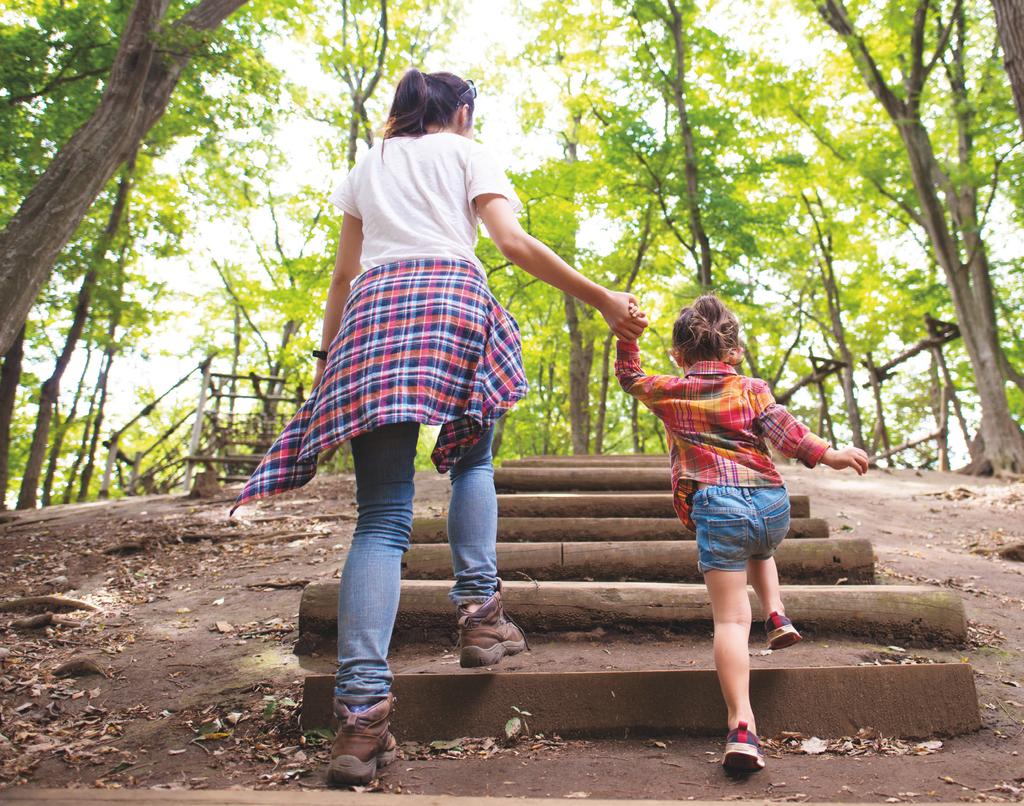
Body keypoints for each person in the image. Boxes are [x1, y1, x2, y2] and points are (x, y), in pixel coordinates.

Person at [231, 68, 647, 786]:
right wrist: (603, 298)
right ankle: (482, 618)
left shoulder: (370, 164)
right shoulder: (466, 151)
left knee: (382, 518)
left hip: (372, 318)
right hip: (452, 302)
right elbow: (511, 243)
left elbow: (342, 276)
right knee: (472, 466)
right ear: (461, 111)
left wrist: (331, 360)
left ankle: (360, 722)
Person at [614, 294, 867, 772]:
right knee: (760, 545)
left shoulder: (671, 389)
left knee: (731, 622)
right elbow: (788, 434)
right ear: (734, 352)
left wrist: (628, 338)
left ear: (678, 355)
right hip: (773, 504)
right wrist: (831, 454)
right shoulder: (753, 388)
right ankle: (775, 613)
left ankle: (742, 726)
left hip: (718, 505)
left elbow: (629, 378)